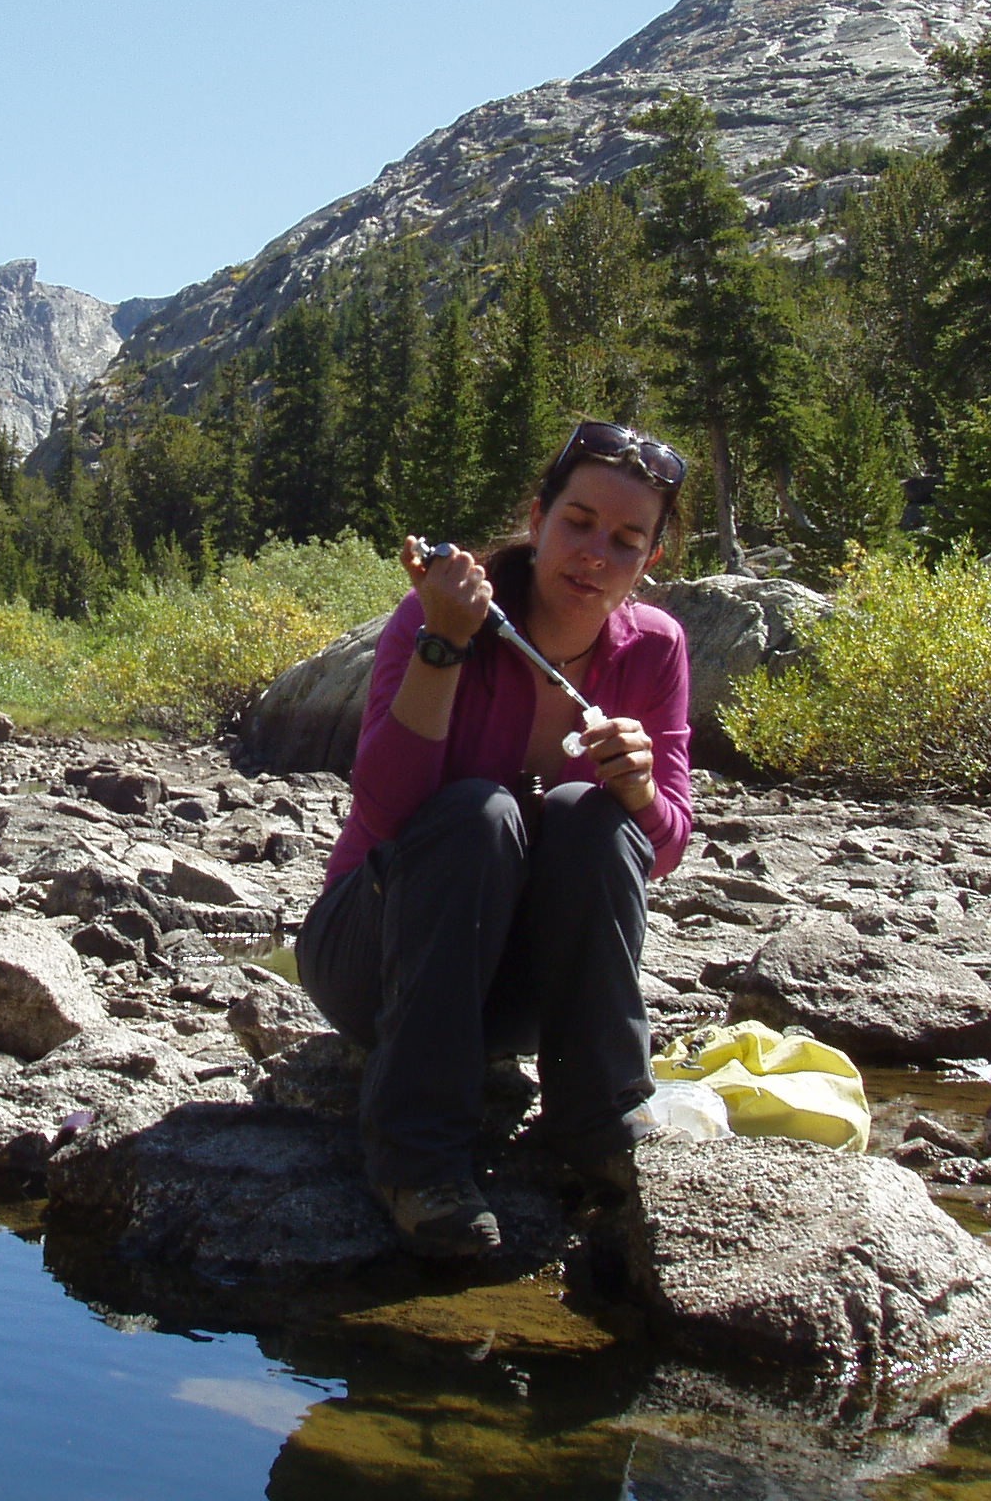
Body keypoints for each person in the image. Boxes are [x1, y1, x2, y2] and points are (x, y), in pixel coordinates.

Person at [296, 420, 694, 1258]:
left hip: (512, 998)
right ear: (538, 517)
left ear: (649, 560)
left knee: (595, 816)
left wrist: (641, 793)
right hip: (372, 957)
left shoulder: (655, 651)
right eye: (578, 522)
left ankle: (602, 1127)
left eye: (626, 540)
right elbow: (388, 809)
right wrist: (444, 642)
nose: (594, 554)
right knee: (481, 813)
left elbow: (661, 847)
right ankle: (416, 1158)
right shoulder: (437, 616)